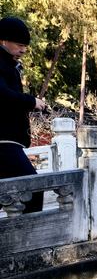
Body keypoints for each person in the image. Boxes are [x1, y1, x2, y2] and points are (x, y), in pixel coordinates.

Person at [0, 16, 47, 213]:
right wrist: (31, 101)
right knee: (32, 187)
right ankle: (32, 240)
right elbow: (2, 94)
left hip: (8, 140)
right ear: (3, 40)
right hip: (4, 141)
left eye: (25, 46)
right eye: (19, 45)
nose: (24, 50)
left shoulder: (8, 64)